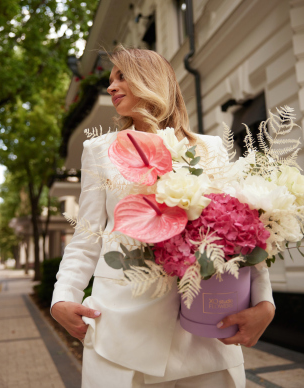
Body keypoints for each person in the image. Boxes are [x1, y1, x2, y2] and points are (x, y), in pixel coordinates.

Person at [51, 46, 275, 388]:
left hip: (206, 324)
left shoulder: (210, 147)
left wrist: (265, 302)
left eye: (121, 76)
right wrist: (62, 296)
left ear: (151, 78)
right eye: (110, 80)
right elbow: (88, 235)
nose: (110, 87)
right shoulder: (99, 150)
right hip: (120, 328)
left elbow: (239, 230)